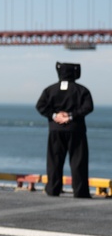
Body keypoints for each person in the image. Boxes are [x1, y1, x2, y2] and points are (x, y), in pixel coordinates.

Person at [36, 62, 93, 198]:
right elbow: (88, 107)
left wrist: (55, 116)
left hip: (56, 130)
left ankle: (53, 189)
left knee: (54, 160)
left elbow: (40, 106)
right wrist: (71, 116)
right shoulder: (82, 90)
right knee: (78, 161)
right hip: (76, 130)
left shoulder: (50, 90)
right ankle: (80, 192)